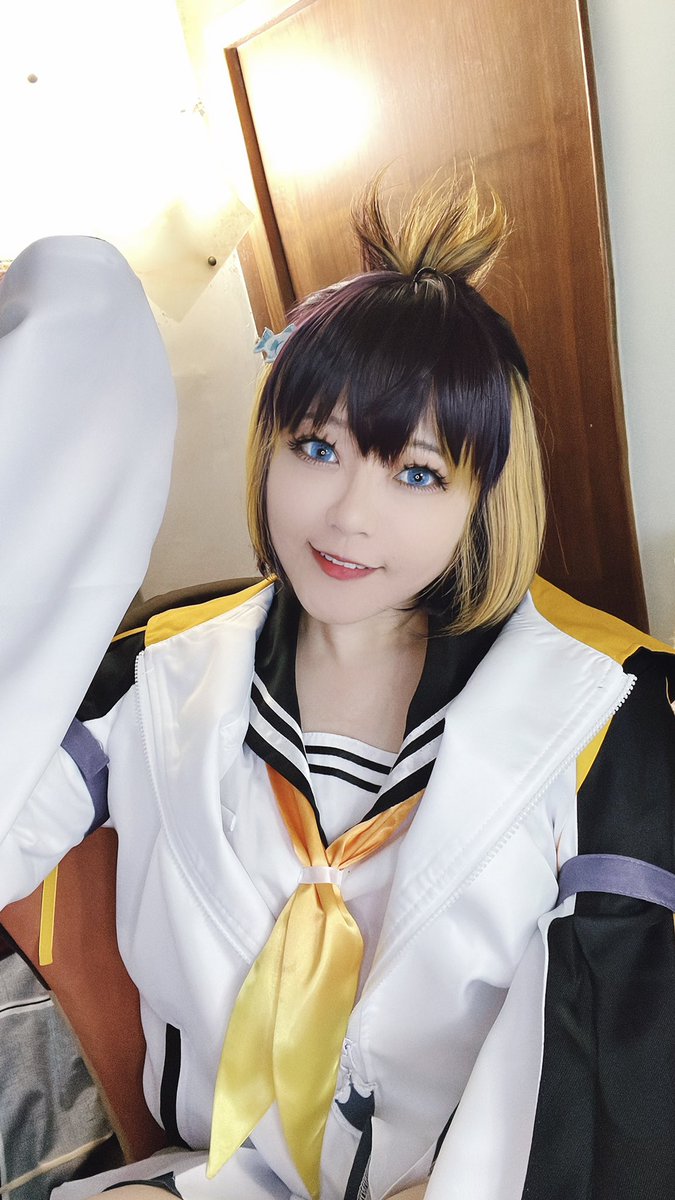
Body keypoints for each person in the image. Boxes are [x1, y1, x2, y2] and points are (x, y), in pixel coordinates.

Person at [1, 180, 674, 1200]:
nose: (348, 516)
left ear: (483, 495)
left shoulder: (601, 717)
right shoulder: (156, 676)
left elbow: (617, 1069)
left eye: (415, 473)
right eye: (317, 448)